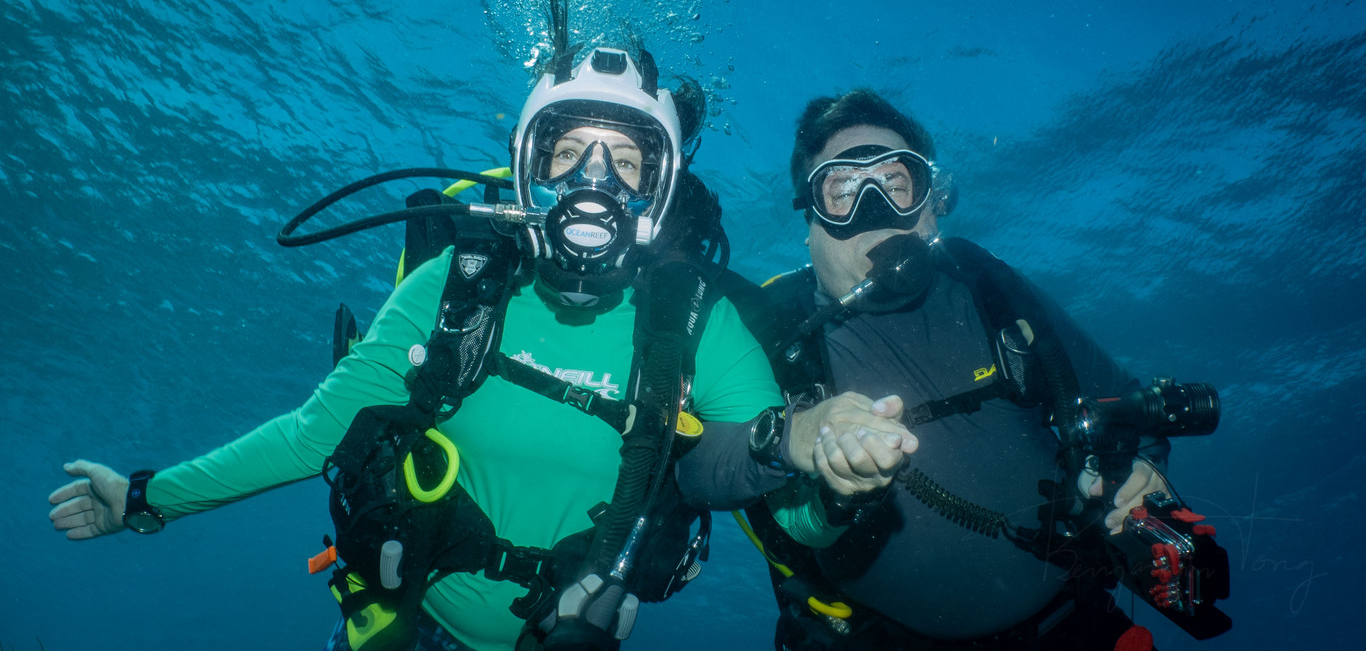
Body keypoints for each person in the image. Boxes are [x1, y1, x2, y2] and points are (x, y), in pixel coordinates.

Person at [46, 41, 912, 651]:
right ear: (527, 168)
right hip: (407, 626)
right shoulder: (455, 287)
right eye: (568, 152)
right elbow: (312, 435)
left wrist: (838, 474)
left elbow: (788, 510)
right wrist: (147, 497)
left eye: (625, 162)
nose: (594, 183)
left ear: (660, 190)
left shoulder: (697, 322)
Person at [735, 89, 1187, 651]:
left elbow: (1124, 406)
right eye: (843, 189)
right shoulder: (771, 330)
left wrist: (1141, 476)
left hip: (1078, 623)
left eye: (896, 182)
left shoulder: (988, 286)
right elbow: (733, 475)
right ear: (809, 218)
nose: (874, 206)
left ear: (932, 202)